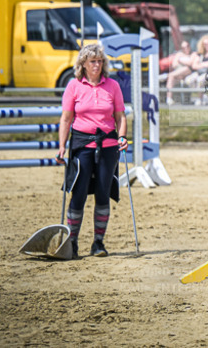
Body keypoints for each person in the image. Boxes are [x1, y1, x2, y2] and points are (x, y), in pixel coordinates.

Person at [57, 43, 127, 259]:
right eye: (92, 62)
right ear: (84, 64)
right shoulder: (74, 86)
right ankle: (73, 242)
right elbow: (66, 118)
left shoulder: (113, 86)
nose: (97, 65)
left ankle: (98, 242)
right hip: (81, 145)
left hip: (108, 146)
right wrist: (61, 146)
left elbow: (120, 117)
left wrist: (122, 137)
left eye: (99, 61)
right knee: (78, 195)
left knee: (103, 194)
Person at [185, 35, 208, 105]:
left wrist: (200, 64)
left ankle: (199, 98)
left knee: (200, 80)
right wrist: (204, 64)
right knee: (188, 80)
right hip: (199, 73)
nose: (207, 45)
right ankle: (202, 95)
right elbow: (194, 66)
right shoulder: (200, 54)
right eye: (205, 44)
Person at [165, 40, 194, 104]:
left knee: (184, 69)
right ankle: (169, 98)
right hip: (178, 74)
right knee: (171, 77)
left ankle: (165, 76)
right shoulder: (179, 54)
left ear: (190, 46)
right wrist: (183, 60)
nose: (186, 48)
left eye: (187, 46)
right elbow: (174, 65)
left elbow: (191, 64)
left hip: (188, 73)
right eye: (183, 48)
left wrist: (180, 59)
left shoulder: (193, 54)